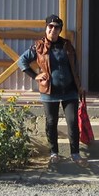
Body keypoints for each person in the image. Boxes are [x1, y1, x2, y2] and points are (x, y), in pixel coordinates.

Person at [17, 14, 87, 166]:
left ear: (60, 30)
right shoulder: (38, 46)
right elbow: (22, 61)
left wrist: (79, 85)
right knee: (51, 122)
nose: (53, 30)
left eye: (57, 28)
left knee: (73, 121)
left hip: (70, 90)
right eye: (50, 27)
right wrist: (35, 76)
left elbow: (74, 67)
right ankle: (54, 153)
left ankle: (75, 154)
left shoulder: (67, 45)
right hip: (49, 91)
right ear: (46, 28)